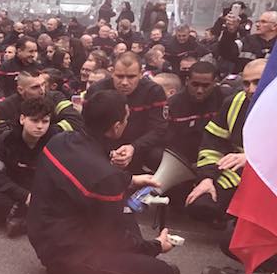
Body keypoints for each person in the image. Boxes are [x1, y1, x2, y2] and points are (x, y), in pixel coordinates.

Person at [27, 89, 178, 274]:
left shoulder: (61, 140)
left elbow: (86, 174)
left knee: (125, 212)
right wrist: (155, 246)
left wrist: (130, 180)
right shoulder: (106, 176)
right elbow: (113, 237)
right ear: (116, 127)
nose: (127, 122)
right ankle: (66, 271)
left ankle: (134, 262)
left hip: (50, 233)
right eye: (126, 119)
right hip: (66, 253)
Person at [185, 59, 263, 223]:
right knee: (200, 204)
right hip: (236, 172)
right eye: (246, 83)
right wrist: (206, 179)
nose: (251, 89)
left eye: (258, 82)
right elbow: (211, 144)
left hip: (269, 179)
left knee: (235, 244)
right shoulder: (234, 102)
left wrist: (253, 158)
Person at [0, 95, 57, 236]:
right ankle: (29, 222)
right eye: (34, 120)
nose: (40, 126)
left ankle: (23, 222)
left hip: (39, 193)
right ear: (22, 119)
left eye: (45, 121)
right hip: (9, 192)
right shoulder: (4, 141)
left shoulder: (56, 142)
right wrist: (24, 196)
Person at [88, 52, 168, 172]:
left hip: (140, 145)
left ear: (141, 74)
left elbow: (159, 128)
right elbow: (89, 126)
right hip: (104, 145)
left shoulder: (154, 92)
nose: (125, 82)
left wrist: (134, 147)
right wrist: (110, 152)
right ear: (112, 72)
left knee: (157, 155)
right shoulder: (97, 90)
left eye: (131, 77)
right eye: (119, 76)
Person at [166, 61, 223, 169]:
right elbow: (168, 142)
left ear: (215, 82)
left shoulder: (224, 100)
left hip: (216, 157)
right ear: (187, 81)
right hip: (181, 159)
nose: (200, 90)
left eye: (206, 86)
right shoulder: (174, 105)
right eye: (195, 85)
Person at [0, 70, 81, 133]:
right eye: (35, 87)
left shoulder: (56, 97)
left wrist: (45, 132)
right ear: (20, 90)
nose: (42, 90)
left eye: (43, 85)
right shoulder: (5, 106)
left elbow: (75, 121)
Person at [218, 10, 276, 75]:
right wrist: (230, 32)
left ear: (274, 26)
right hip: (244, 83)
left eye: (263, 22)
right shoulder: (246, 41)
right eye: (257, 21)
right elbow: (225, 53)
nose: (257, 25)